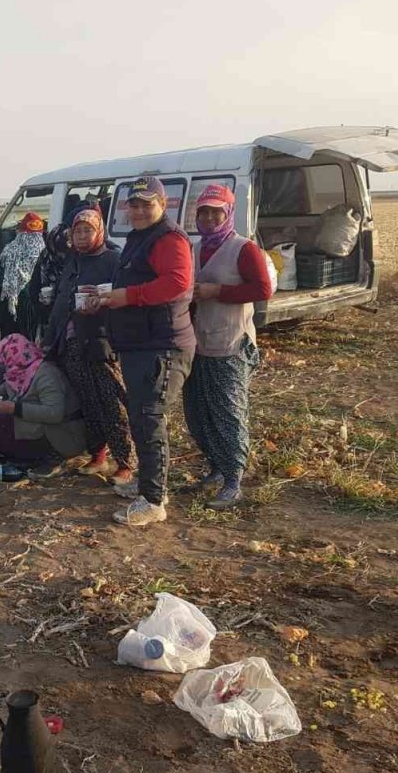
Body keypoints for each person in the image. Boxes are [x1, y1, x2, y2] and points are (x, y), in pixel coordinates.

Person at [97, 176, 195, 526]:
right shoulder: (140, 236)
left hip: (162, 346)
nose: (138, 211)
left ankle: (154, 501)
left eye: (146, 205)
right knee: (140, 416)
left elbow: (177, 282)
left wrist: (128, 296)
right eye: (134, 205)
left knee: (150, 418)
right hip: (140, 344)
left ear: (163, 204)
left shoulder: (169, 238)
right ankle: (147, 484)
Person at [182, 184, 272, 509]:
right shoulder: (194, 248)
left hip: (230, 343)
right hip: (197, 342)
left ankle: (234, 479)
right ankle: (216, 467)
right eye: (203, 212)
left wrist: (216, 291)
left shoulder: (243, 249)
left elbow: (262, 289)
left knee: (228, 412)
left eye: (215, 212)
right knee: (198, 412)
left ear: (228, 213)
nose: (208, 218)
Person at [48, 207, 135, 484]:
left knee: (113, 403)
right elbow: (63, 299)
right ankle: (98, 455)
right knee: (88, 402)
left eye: (88, 230)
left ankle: (125, 462)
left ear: (99, 231)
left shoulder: (112, 259)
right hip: (73, 343)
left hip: (102, 341)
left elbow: (125, 299)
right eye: (78, 231)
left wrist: (102, 303)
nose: (82, 236)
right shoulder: (73, 261)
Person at [0, 334, 86, 471]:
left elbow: (55, 413)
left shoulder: (45, 374)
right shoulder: (18, 374)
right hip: (41, 427)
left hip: (62, 435)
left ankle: (46, 457)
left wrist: (15, 409)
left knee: (0, 425)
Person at [0, 213, 46, 336]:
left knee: (6, 339)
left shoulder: (9, 249)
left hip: (6, 303)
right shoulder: (44, 250)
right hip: (30, 305)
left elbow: (0, 278)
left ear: (20, 232)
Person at [17, 222, 71, 345]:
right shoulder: (45, 258)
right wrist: (42, 304)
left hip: (69, 319)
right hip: (47, 317)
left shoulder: (75, 260)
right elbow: (34, 288)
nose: (62, 255)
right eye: (59, 250)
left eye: (65, 250)